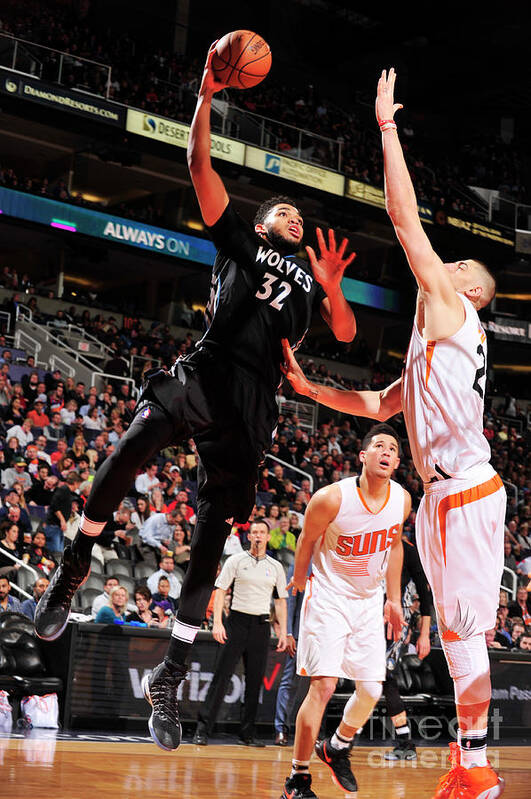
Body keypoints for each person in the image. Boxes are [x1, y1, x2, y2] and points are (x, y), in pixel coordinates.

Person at [34, 41, 355, 757]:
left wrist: (331, 287)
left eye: (298, 220)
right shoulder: (240, 238)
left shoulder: (305, 285)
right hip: (205, 370)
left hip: (252, 408)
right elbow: (199, 169)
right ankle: (76, 559)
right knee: (126, 449)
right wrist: (207, 97)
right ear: (263, 222)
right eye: (283, 214)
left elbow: (344, 330)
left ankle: (170, 680)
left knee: (210, 545)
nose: (294, 221)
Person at [281, 68, 505, 799]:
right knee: (451, 632)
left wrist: (384, 128)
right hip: (441, 495)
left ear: (468, 290)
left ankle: (473, 765)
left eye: (455, 266)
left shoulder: (453, 309)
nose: (442, 267)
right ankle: (468, 764)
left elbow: (405, 221)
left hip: (465, 490)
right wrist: (314, 390)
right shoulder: (428, 345)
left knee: (465, 631)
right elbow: (379, 405)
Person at [280, 424, 409, 799]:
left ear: (397, 462)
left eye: (392, 448)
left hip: (369, 600)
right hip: (329, 595)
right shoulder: (331, 498)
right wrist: (300, 579)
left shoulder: (401, 499)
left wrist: (393, 598)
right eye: (379, 446)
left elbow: (396, 546)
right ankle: (297, 778)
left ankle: (336, 747)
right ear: (363, 456)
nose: (386, 451)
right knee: (324, 686)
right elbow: (306, 537)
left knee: (371, 689)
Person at [193, 520, 288, 747]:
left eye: (262, 532)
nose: (257, 536)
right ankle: (202, 730)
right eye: (254, 532)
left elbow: (281, 601)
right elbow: (221, 589)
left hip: (262, 625)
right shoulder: (236, 560)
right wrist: (218, 622)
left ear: (267, 537)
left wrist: (283, 632)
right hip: (236, 622)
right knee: (221, 677)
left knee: (255, 683)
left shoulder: (275, 566)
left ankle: (247, 734)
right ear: (249, 536)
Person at [383, 530, 433, 761]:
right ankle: (405, 741)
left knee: (382, 676)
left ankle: (405, 741)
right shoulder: (372, 544)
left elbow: (425, 595)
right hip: (368, 619)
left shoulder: (408, 550)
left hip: (395, 622)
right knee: (377, 680)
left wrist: (424, 635)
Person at [274, 562, 311, 746]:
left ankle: (312, 731)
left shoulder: (333, 560)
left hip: (323, 635)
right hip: (299, 633)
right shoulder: (302, 561)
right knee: (289, 682)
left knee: (318, 686)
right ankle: (281, 728)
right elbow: (290, 601)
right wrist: (288, 632)